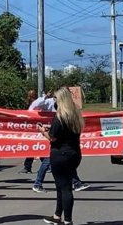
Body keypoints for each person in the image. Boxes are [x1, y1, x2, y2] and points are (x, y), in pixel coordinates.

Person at [39, 88, 84, 225]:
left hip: (61, 155)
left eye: (55, 99)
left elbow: (53, 138)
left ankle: (68, 220)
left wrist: (43, 131)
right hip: (74, 153)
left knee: (65, 188)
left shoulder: (60, 116)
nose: (54, 102)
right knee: (61, 185)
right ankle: (57, 215)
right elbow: (62, 131)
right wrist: (50, 127)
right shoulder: (74, 115)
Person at [20, 90, 56, 174]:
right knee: (34, 147)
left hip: (42, 127)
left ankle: (30, 167)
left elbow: (38, 104)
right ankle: (28, 167)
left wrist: (46, 97)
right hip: (34, 128)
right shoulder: (36, 103)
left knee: (37, 147)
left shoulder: (42, 102)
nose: (29, 97)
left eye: (31, 96)